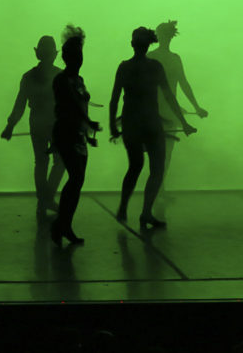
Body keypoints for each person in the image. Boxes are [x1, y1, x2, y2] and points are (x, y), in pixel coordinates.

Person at [109, 27, 194, 229]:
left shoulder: (126, 67)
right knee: (156, 168)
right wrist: (183, 122)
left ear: (133, 44)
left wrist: (113, 125)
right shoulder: (154, 67)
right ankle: (145, 211)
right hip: (150, 123)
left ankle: (125, 206)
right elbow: (169, 96)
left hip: (134, 122)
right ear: (149, 44)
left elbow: (115, 99)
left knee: (135, 166)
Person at [0, 35, 65, 215]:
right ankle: (47, 198)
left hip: (36, 122)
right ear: (54, 54)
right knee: (59, 162)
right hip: (56, 124)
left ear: (38, 53)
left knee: (41, 162)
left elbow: (20, 104)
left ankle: (43, 200)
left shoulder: (28, 77)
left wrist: (10, 126)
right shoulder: (60, 75)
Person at [147, 20, 208, 191]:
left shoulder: (174, 58)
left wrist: (197, 107)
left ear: (170, 37)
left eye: (166, 35)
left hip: (169, 110)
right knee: (158, 153)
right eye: (162, 35)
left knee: (166, 153)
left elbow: (184, 84)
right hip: (154, 110)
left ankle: (160, 188)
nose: (164, 38)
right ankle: (157, 188)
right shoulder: (151, 57)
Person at [50, 25, 97, 246]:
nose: (79, 59)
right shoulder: (61, 80)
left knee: (78, 181)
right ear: (66, 57)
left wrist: (87, 132)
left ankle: (64, 224)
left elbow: (81, 107)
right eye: (74, 55)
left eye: (80, 55)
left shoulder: (79, 80)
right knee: (76, 178)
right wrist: (88, 123)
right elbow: (71, 105)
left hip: (78, 134)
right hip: (65, 133)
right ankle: (61, 223)